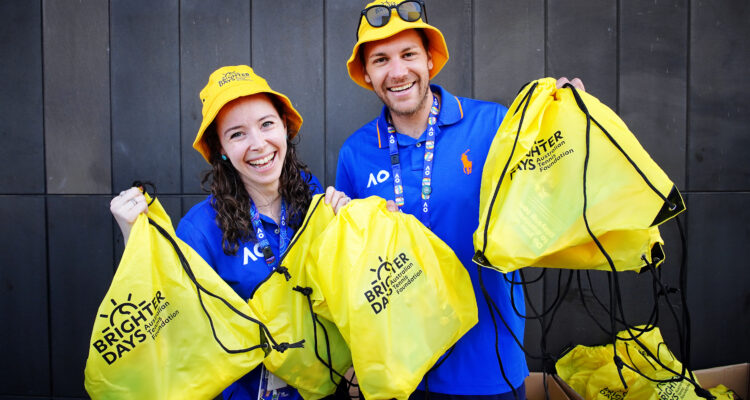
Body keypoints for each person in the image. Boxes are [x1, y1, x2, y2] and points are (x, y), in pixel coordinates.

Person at [335, 1, 583, 399]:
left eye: (409, 54)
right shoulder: (355, 152)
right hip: (402, 373)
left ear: (430, 61)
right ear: (366, 73)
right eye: (381, 59)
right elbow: (353, 269)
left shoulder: (493, 124)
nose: (397, 71)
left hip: (487, 364)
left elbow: (549, 200)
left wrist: (568, 128)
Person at [110, 65, 350, 400]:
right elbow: (175, 322)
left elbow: (346, 298)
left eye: (266, 124)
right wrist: (131, 234)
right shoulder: (200, 229)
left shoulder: (314, 202)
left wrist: (353, 227)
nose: (258, 144)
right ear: (221, 148)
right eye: (237, 134)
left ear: (284, 126)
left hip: (325, 390)